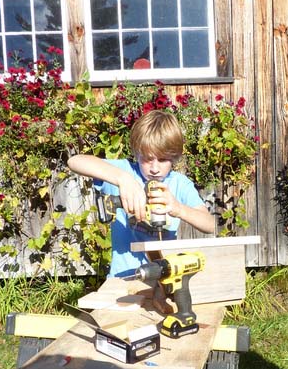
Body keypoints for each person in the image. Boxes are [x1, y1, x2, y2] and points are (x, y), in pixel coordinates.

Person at [67, 109, 215, 278]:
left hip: (166, 279)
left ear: (174, 157)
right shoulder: (124, 171)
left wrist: (177, 208)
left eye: (163, 159)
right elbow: (74, 161)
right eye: (147, 158)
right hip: (123, 279)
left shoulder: (180, 184)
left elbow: (209, 225)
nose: (154, 168)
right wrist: (123, 179)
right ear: (137, 152)